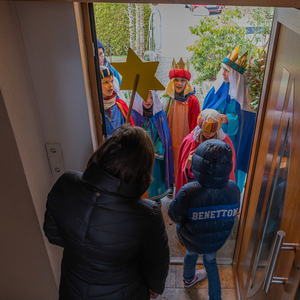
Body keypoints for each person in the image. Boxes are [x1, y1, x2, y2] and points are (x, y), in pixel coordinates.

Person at [43, 125, 170, 300]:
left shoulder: (66, 182)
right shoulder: (148, 214)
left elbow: (53, 234)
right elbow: (156, 263)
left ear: (103, 153)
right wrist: (155, 287)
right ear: (143, 170)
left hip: (73, 288)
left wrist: (84, 248)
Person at [168, 139, 240, 300]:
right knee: (211, 262)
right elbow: (235, 212)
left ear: (198, 164)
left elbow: (174, 215)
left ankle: (188, 279)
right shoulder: (234, 188)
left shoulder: (188, 191)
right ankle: (215, 297)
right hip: (217, 239)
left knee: (191, 254)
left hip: (192, 236)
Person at [202, 46, 256, 192]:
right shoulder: (220, 87)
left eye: (227, 71)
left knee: (230, 170)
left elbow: (246, 122)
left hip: (233, 141)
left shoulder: (246, 95)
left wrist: (227, 119)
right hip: (215, 137)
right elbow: (207, 107)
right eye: (223, 69)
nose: (223, 74)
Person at [161, 58, 201, 196]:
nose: (179, 83)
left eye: (182, 81)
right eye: (176, 80)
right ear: (172, 81)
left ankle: (181, 183)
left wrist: (194, 140)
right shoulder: (167, 98)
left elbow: (196, 122)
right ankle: (171, 183)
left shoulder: (192, 100)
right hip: (170, 135)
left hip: (185, 136)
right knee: (170, 157)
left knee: (182, 159)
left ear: (187, 83)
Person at [176, 109, 236, 196]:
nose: (208, 134)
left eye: (211, 132)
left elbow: (229, 166)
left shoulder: (225, 141)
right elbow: (183, 167)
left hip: (216, 182)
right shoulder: (190, 141)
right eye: (205, 131)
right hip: (196, 181)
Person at [131, 90, 175, 203]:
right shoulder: (134, 115)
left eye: (151, 97)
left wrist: (155, 150)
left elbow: (164, 136)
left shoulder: (159, 114)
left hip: (155, 155)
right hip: (140, 154)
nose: (148, 101)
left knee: (155, 177)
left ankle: (156, 199)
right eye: (145, 98)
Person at [100, 65, 134, 136]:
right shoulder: (96, 108)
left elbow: (130, 129)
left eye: (112, 81)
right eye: (106, 82)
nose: (110, 85)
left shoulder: (120, 106)